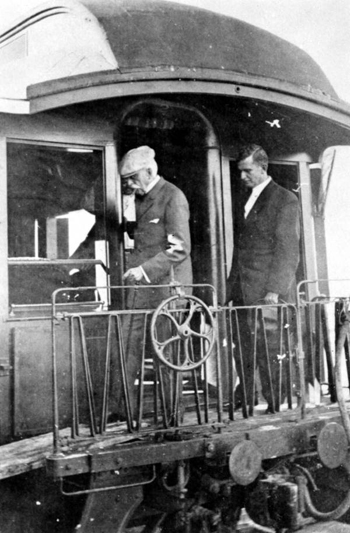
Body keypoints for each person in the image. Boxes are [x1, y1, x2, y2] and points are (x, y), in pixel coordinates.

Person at [115, 145, 192, 423]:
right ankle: (126, 415)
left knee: (166, 356)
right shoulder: (135, 198)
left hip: (166, 292)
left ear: (150, 171)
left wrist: (144, 271)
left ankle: (172, 417)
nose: (130, 184)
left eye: (134, 178)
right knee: (126, 351)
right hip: (142, 291)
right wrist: (125, 196)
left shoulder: (172, 196)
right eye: (126, 180)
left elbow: (180, 249)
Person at [226, 144, 300, 414]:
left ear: (262, 168)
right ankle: (245, 395)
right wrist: (231, 288)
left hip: (267, 292)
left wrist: (274, 290)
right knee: (243, 347)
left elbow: (288, 249)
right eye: (240, 172)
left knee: (270, 348)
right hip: (244, 289)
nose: (242, 177)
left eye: (247, 171)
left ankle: (275, 401)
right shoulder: (245, 198)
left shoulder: (284, 199)